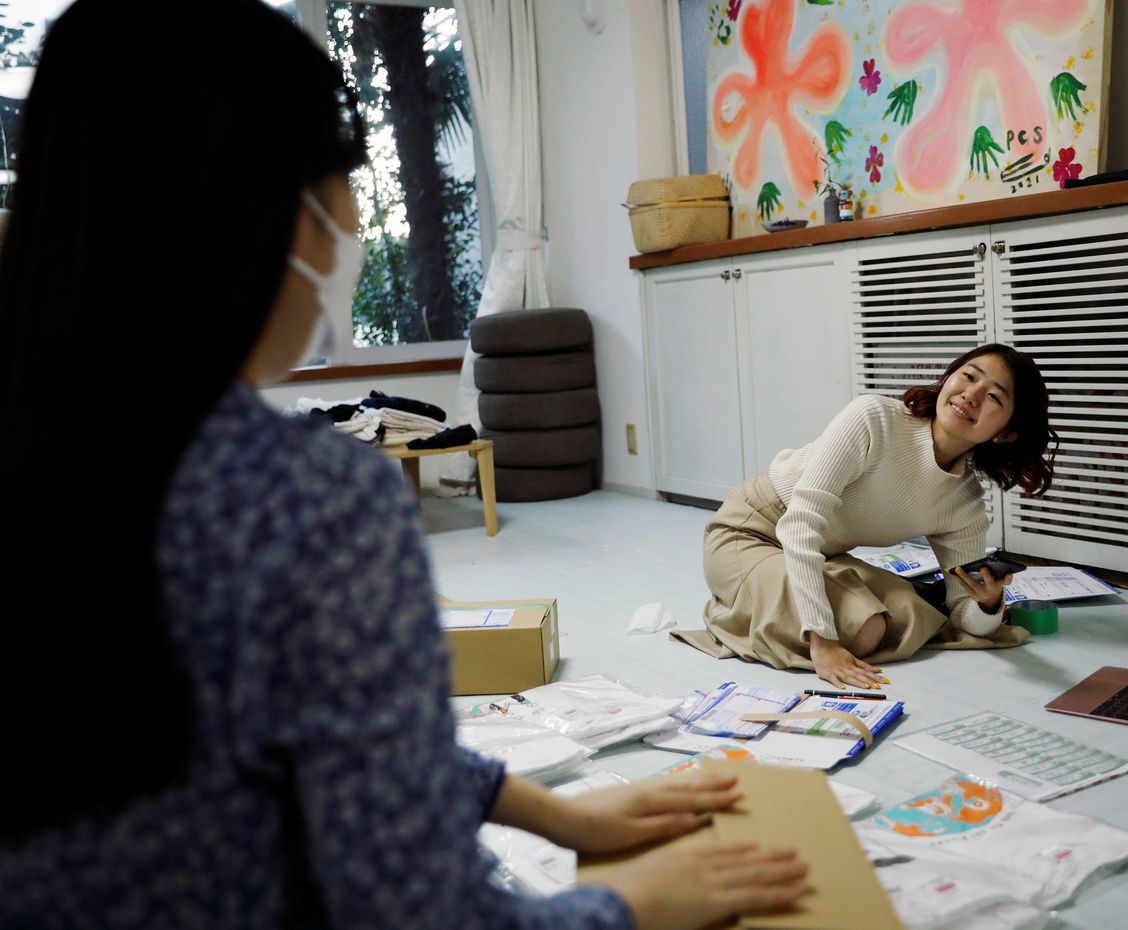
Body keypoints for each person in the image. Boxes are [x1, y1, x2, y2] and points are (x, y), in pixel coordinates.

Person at [0, 2, 808, 927]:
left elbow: (328, 731)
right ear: (273, 205)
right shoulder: (307, 500)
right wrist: (628, 903)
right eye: (345, 178)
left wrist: (553, 813)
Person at [682, 344, 1058, 689]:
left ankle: (775, 600)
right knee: (866, 629)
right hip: (750, 531)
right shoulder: (874, 418)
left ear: (1006, 434)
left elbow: (962, 614)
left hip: (823, 554)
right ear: (948, 379)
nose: (970, 395)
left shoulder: (964, 502)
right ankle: (735, 607)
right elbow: (799, 526)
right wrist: (823, 642)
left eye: (993, 396)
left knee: (915, 612)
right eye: (969, 376)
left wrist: (989, 604)